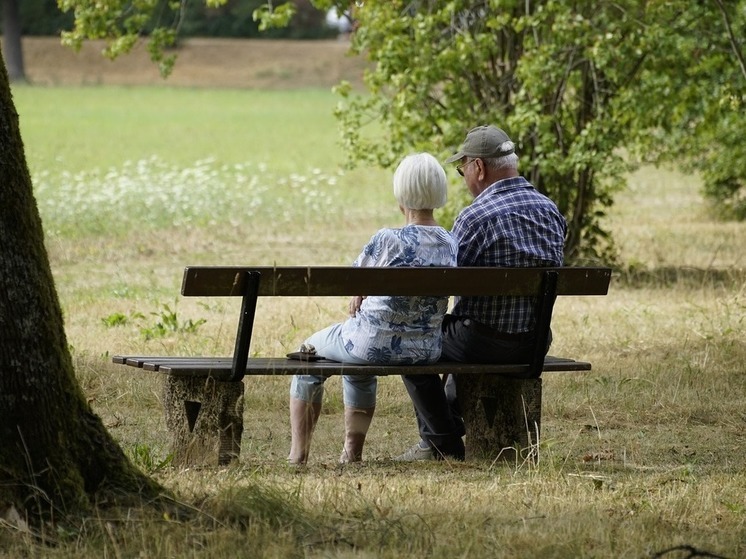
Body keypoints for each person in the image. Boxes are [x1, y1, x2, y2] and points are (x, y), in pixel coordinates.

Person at [396, 125, 568, 461]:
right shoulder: (551, 211)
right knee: (460, 330)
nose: (464, 178)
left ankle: (441, 442)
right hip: (533, 342)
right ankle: (446, 427)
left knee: (410, 338)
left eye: (463, 170)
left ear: (479, 167)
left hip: (482, 343)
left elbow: (446, 285)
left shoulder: (474, 217)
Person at [288, 152, 458, 465]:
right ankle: (351, 453)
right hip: (424, 350)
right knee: (356, 364)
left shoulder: (387, 239)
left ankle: (298, 455)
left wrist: (360, 292)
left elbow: (353, 281)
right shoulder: (450, 242)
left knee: (307, 353)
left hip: (370, 345)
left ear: (401, 195)